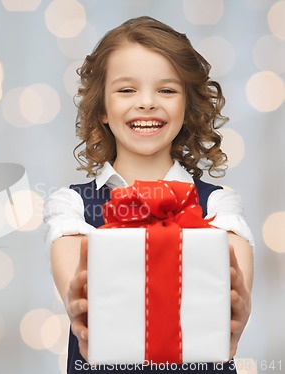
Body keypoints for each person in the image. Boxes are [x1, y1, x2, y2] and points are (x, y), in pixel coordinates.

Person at [43, 16, 254, 373]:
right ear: (102, 110)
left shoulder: (219, 204)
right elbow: (80, 294)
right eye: (127, 90)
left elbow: (229, 297)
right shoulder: (71, 205)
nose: (146, 103)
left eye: (166, 90)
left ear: (187, 107)